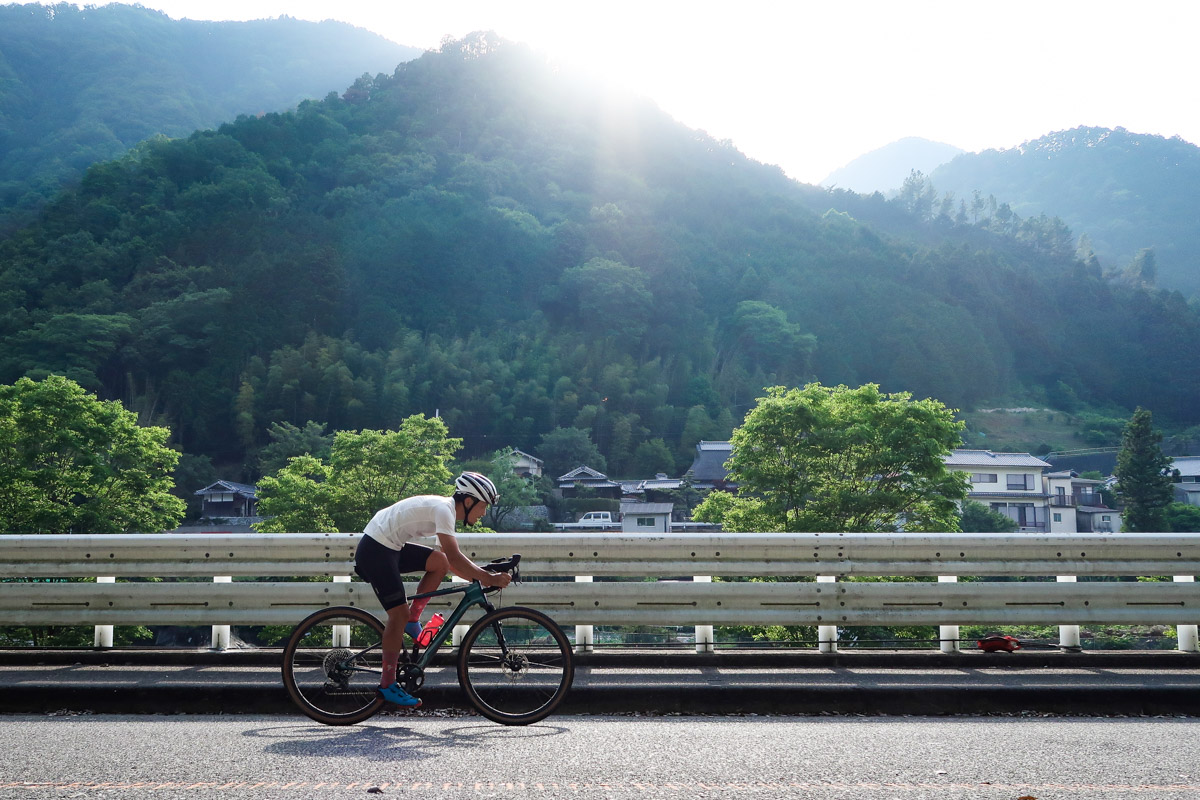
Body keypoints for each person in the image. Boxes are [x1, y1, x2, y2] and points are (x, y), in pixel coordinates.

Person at [354, 471, 511, 707]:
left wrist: (480, 576)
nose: (484, 513)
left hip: (390, 546)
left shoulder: (445, 511)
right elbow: (456, 557)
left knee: (438, 563)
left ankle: (412, 621)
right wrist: (487, 578)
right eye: (483, 506)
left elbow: (449, 563)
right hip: (376, 549)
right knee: (398, 613)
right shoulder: (444, 511)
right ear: (468, 502)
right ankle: (387, 684)